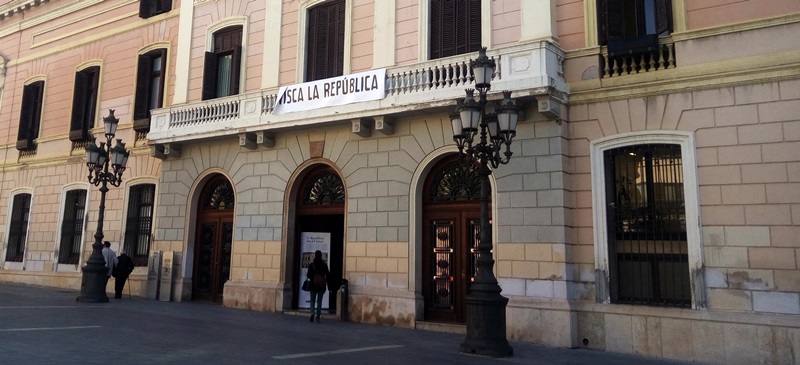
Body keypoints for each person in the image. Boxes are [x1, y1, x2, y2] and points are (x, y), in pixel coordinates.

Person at [306, 250, 329, 323]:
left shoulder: (311, 265)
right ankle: (318, 317)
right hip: (321, 286)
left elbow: (308, 275)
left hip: (313, 285)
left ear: (315, 256)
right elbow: (328, 274)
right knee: (319, 302)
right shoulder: (324, 265)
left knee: (312, 301)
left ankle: (312, 312)